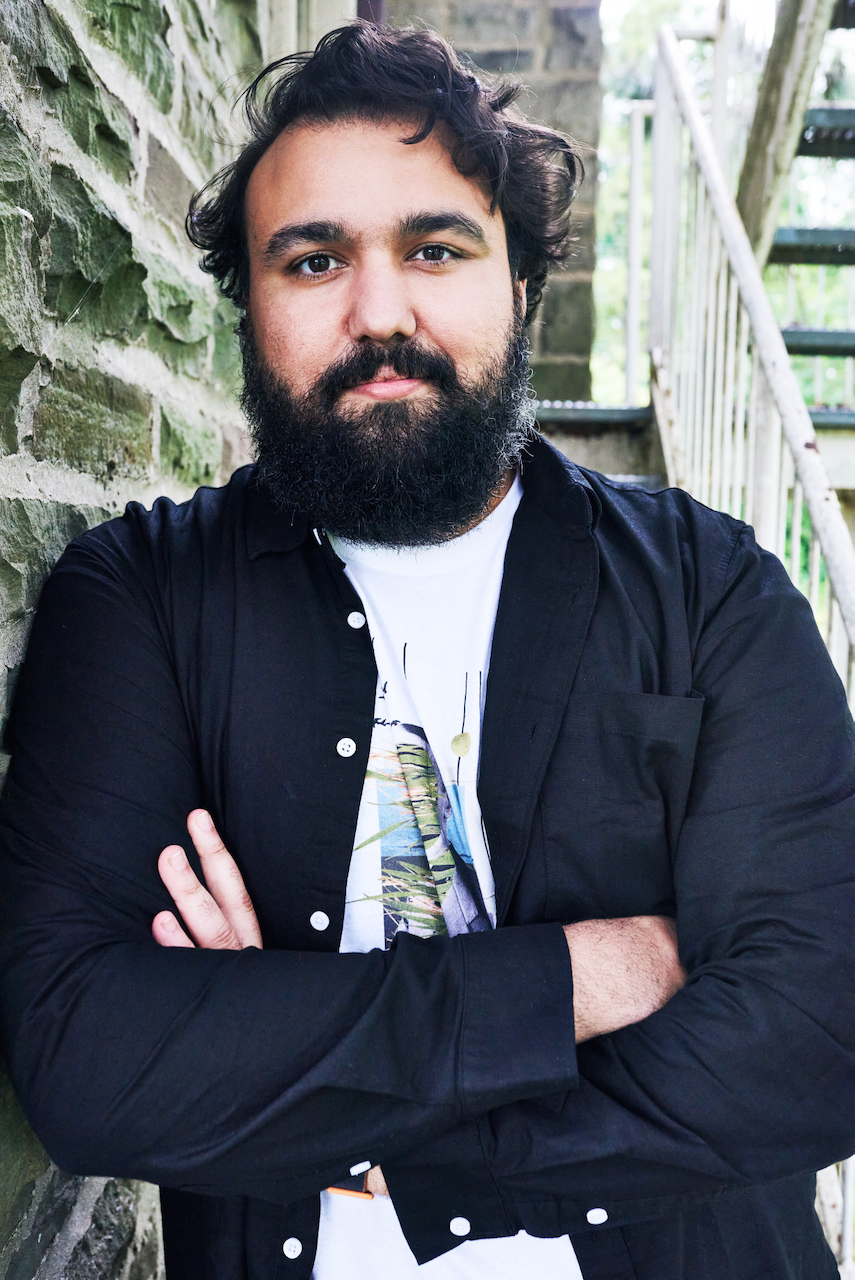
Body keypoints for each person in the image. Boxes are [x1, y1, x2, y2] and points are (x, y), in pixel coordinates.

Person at [1, 20, 854, 1280]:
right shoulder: (139, 602)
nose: (379, 308)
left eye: (435, 248)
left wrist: (308, 1074)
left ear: (517, 284)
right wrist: (581, 971)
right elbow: (90, 1061)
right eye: (312, 260)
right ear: (245, 308)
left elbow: (821, 1029)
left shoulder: (711, 591)